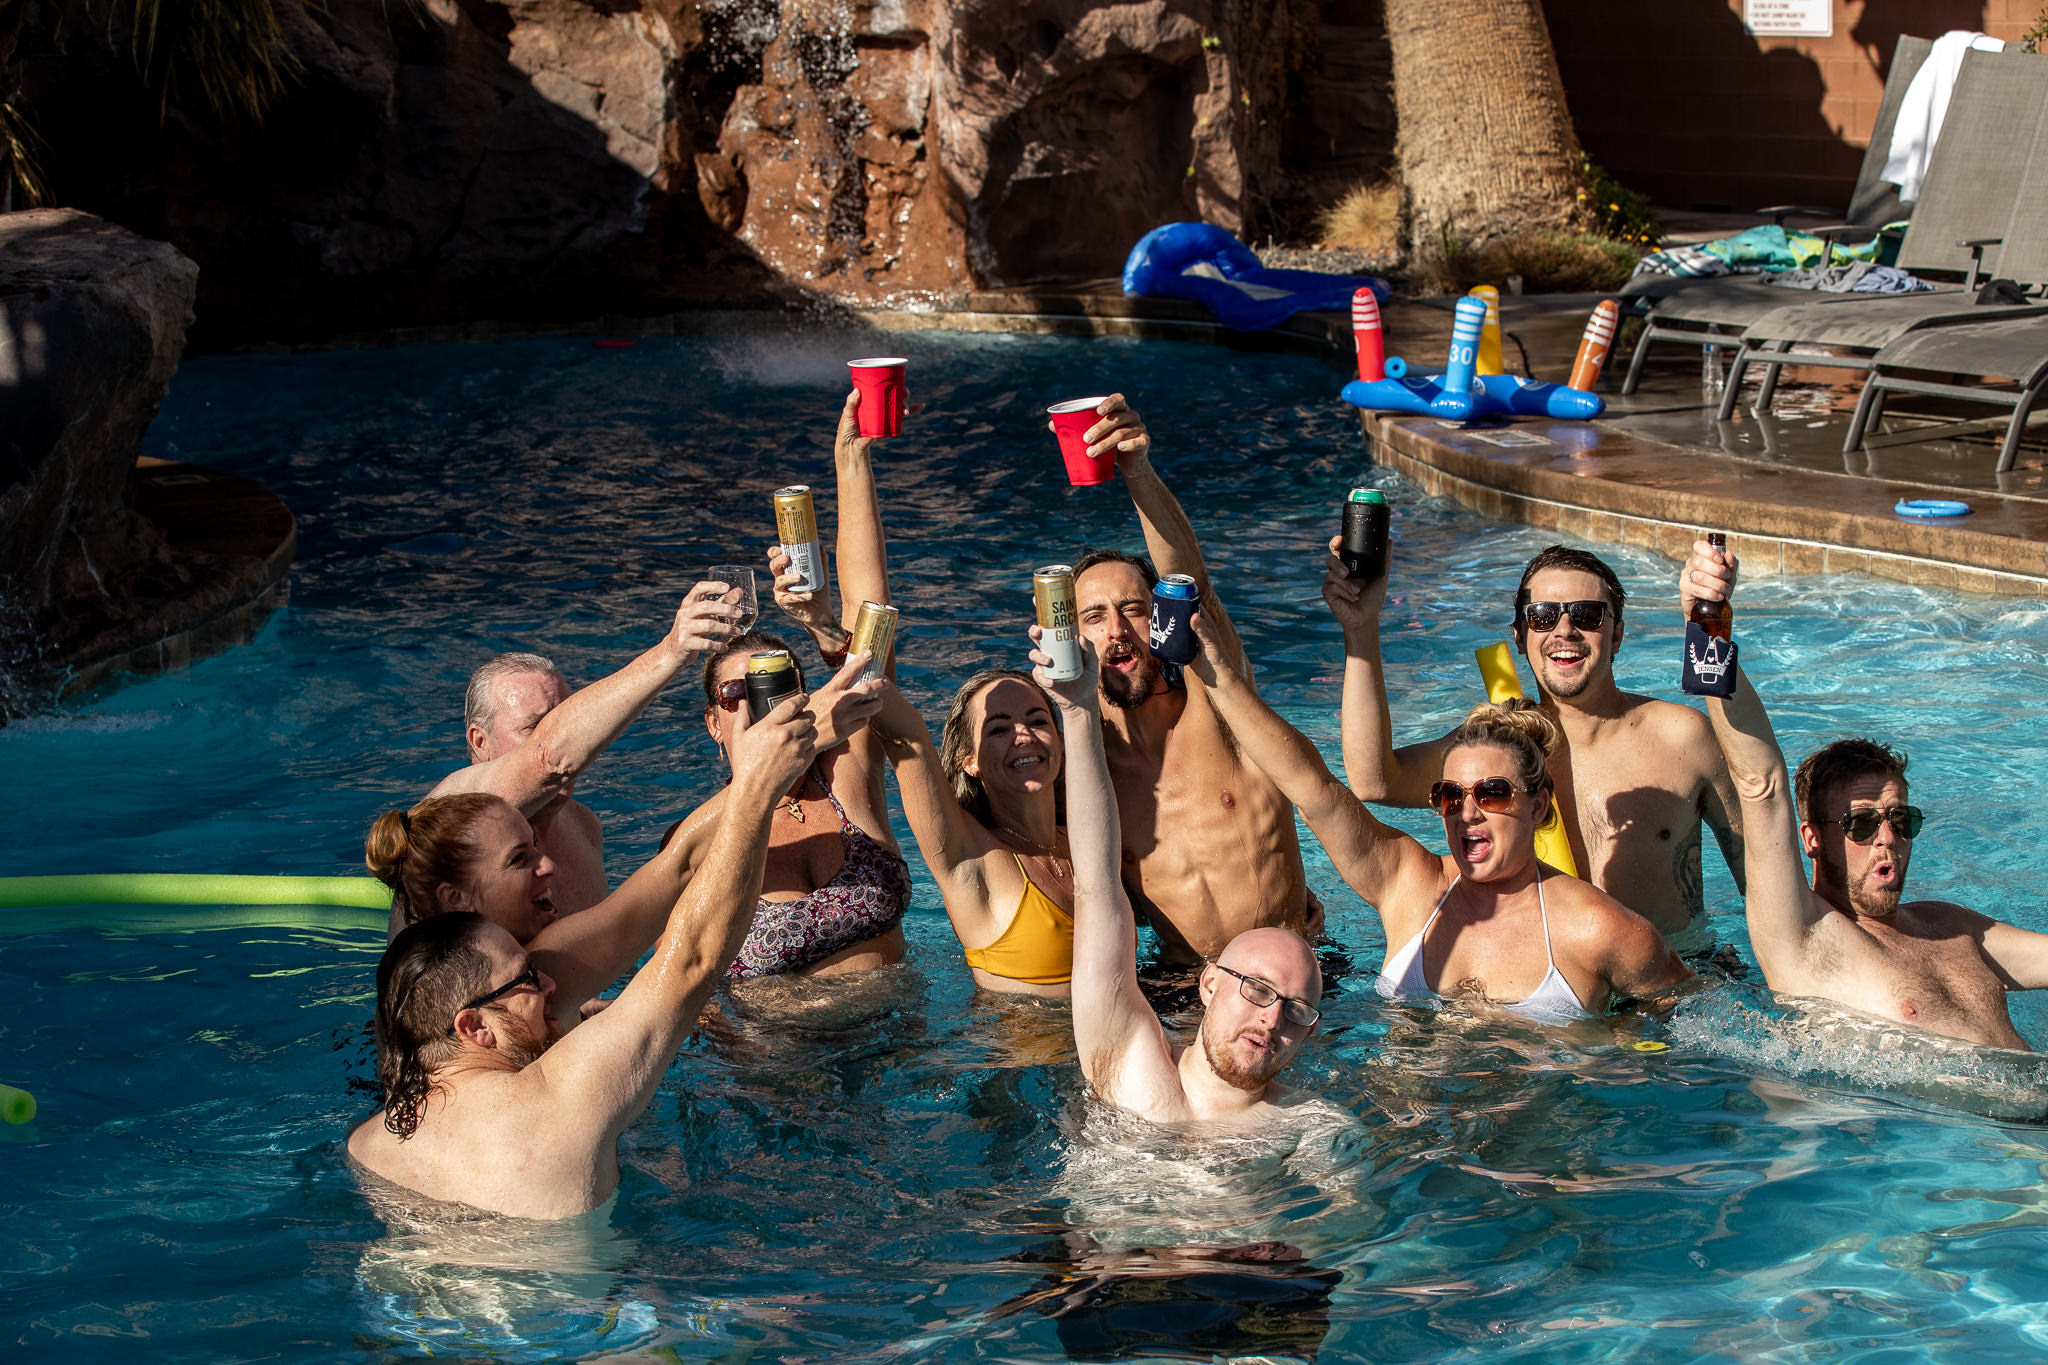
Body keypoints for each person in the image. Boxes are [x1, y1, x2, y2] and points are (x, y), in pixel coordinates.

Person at [347, 690, 817, 1218]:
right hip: (583, 1298)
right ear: (474, 1026)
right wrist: (755, 792)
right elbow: (693, 959)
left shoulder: (369, 1144)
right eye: (529, 978)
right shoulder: (564, 1099)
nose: (548, 983)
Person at [1185, 592, 1691, 1022]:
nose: (1467, 812)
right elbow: (1313, 788)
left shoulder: (1597, 927)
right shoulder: (1410, 886)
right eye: (1450, 796)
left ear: (1539, 808)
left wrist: (1614, 1048)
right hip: (1396, 1128)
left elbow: (1691, 1012)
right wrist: (1220, 680)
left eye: (1492, 793)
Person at [369, 654, 880, 1030]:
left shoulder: (539, 966)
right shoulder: (451, 812)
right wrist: (781, 754)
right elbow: (683, 930)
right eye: (520, 858)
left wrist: (593, 1011)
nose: (547, 866)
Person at [1684, 540, 2048, 1050]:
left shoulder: (1951, 926)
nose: (1887, 839)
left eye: (1902, 821)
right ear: (1811, 838)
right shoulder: (1806, 937)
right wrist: (1707, 627)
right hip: (1962, 1129)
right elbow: (1759, 783)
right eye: (1860, 823)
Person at [789, 387, 1077, 995]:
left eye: (1035, 718)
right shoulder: (969, 856)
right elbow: (880, 677)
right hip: (1026, 1079)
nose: (1023, 733)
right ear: (967, 759)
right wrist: (852, 464)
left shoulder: (1093, 831)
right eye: (997, 728)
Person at [1332, 540, 1744, 939]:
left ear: (1616, 636)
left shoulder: (1683, 738)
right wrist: (1361, 626)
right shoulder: (1496, 747)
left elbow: (1761, 873)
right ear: (1519, 636)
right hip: (1552, 990)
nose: (1565, 630)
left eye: (1588, 614)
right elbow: (1374, 781)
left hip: (1669, 993)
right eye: (1543, 616)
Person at [664, 391, 907, 981]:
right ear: (712, 723)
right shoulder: (699, 836)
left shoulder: (846, 774)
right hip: (778, 1063)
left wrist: (852, 461)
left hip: (906, 1052)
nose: (760, 704)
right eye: (736, 694)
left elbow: (872, 617)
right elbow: (676, 979)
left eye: (778, 685)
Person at [1036, 630, 1322, 1123]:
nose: (1271, 1018)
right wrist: (1079, 711)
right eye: (1256, 988)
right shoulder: (1128, 1064)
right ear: (1209, 984)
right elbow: (1098, 888)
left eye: (1296, 1010)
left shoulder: (1311, 1127)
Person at [1068, 396, 1313, 964]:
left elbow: (1190, 579)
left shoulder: (1221, 706)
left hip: (1293, 969)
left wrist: (1137, 470)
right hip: (1182, 985)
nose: (1116, 632)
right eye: (1093, 617)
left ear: (1159, 618)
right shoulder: (1080, 764)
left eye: (1132, 609)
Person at [427, 587, 741, 914]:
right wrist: (671, 651)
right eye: (535, 727)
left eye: (569, 719)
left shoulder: (582, 825)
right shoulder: (451, 812)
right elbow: (549, 758)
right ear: (480, 741)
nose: (576, 739)